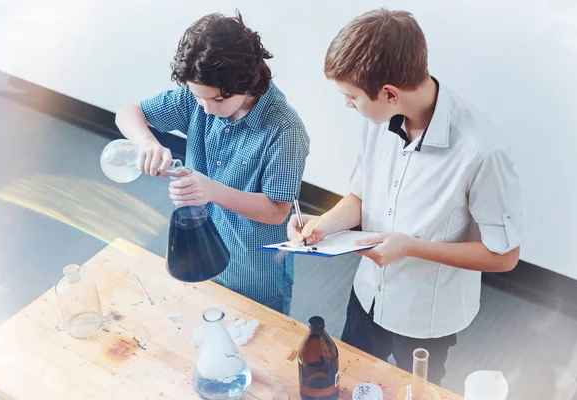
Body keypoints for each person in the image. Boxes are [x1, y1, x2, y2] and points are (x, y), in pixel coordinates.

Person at [288, 8, 521, 384]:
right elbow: (361, 196)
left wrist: (410, 247)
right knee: (352, 381)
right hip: (367, 297)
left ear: (390, 94)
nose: (347, 105)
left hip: (425, 317)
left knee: (411, 392)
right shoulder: (378, 120)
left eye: (351, 97)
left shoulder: (482, 150)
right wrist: (322, 225)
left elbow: (505, 255)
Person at [116, 11, 309, 315]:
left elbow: (276, 212)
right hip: (199, 258)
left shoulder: (285, 131)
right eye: (198, 96)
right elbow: (127, 113)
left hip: (254, 276)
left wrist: (211, 191)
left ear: (250, 80)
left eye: (217, 100)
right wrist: (147, 142)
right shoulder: (199, 99)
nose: (205, 109)